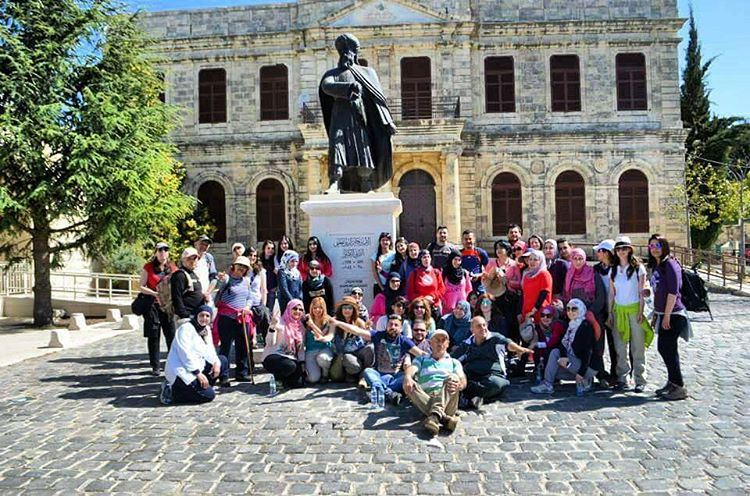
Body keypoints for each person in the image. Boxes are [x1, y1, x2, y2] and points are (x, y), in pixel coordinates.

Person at [319, 33, 396, 192]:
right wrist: (348, 88)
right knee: (337, 148)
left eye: (351, 51)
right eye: (344, 51)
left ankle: (366, 182)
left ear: (356, 53)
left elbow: (378, 99)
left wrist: (387, 121)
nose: (347, 54)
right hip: (339, 117)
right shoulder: (331, 74)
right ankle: (335, 182)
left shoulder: (368, 73)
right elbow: (326, 86)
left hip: (360, 118)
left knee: (363, 148)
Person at [332, 314, 423, 404]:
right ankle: (389, 394)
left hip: (395, 377)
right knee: (367, 371)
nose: (393, 327)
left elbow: (420, 354)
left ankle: (377, 392)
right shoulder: (378, 335)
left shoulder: (404, 341)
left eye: (396, 325)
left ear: (401, 328)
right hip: (378, 375)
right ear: (386, 326)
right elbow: (357, 331)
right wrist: (338, 323)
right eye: (390, 324)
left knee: (407, 377)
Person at [453, 316, 532, 408]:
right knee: (457, 379)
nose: (483, 328)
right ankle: (476, 396)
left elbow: (508, 344)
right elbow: (453, 359)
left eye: (484, 325)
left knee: (497, 385)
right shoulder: (467, 344)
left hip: (492, 376)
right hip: (472, 376)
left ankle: (469, 395)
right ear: (472, 330)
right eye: (479, 326)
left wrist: (519, 349)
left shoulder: (495, 338)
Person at [609, 236, 654, 393]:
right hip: (619, 310)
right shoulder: (613, 270)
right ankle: (623, 378)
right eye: (618, 249)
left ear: (629, 249)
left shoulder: (637, 268)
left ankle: (640, 379)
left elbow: (641, 291)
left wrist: (641, 311)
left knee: (637, 347)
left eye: (624, 248)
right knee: (620, 347)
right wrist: (610, 313)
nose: (621, 252)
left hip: (635, 310)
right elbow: (612, 294)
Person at [648, 236, 690, 400]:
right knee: (665, 348)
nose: (654, 249)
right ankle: (673, 382)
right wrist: (657, 315)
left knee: (668, 349)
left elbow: (673, 292)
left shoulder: (671, 265)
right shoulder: (659, 265)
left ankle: (679, 386)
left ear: (664, 246)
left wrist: (666, 316)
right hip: (663, 313)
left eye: (657, 245)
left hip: (674, 314)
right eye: (651, 246)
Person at [162, 305, 229, 405]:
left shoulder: (205, 330)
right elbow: (184, 354)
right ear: (196, 316)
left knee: (222, 360)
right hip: (181, 370)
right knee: (209, 395)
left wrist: (216, 363)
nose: (204, 319)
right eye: (201, 315)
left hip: (198, 365)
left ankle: (199, 387)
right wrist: (198, 373)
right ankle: (173, 391)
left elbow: (210, 350)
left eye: (207, 316)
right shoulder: (185, 329)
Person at [403, 330, 466, 436]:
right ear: (430, 343)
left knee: (453, 377)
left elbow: (463, 380)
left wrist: (460, 385)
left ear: (448, 344)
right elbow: (412, 369)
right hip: (426, 398)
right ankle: (444, 419)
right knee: (410, 384)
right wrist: (408, 377)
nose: (440, 343)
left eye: (443, 340)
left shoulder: (454, 362)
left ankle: (434, 416)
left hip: (448, 400)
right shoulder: (421, 359)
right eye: (437, 340)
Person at [531, 299, 597, 394]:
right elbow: (562, 344)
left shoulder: (585, 326)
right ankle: (548, 383)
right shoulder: (571, 325)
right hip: (574, 362)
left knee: (554, 353)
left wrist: (581, 373)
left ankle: (584, 378)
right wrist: (564, 356)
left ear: (581, 309)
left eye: (574, 309)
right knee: (551, 369)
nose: (570, 312)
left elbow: (588, 352)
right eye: (568, 309)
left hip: (587, 367)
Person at [563, 247, 608, 384]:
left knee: (596, 346)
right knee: (579, 344)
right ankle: (581, 372)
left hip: (591, 315)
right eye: (575, 258)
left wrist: (592, 311)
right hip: (574, 315)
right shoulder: (570, 274)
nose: (577, 262)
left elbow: (600, 295)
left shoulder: (593, 274)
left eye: (580, 259)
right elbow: (567, 294)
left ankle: (601, 375)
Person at [139, 242, 177, 375]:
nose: (163, 252)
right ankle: (155, 366)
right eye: (160, 250)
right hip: (153, 305)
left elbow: (178, 283)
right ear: (155, 252)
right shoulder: (148, 267)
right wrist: (155, 293)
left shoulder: (172, 267)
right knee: (154, 335)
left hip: (167, 306)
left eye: (165, 250)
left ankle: (173, 362)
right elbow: (142, 286)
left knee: (171, 335)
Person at [214, 256, 254, 382]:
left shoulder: (247, 281)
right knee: (225, 346)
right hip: (227, 317)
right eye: (239, 265)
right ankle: (223, 375)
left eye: (244, 267)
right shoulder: (227, 279)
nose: (241, 268)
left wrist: (247, 307)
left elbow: (250, 297)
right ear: (234, 266)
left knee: (242, 346)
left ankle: (241, 372)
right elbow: (218, 292)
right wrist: (220, 279)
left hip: (242, 318)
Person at [325, 297, 374, 383]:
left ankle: (364, 375)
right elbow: (330, 335)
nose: (347, 310)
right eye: (345, 307)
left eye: (350, 308)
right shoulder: (335, 320)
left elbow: (367, 336)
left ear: (353, 310)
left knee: (371, 348)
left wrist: (368, 328)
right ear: (341, 309)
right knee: (352, 364)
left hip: (359, 350)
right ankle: (352, 374)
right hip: (346, 353)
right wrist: (323, 338)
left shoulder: (359, 321)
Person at [262, 299, 306, 389]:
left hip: (290, 357)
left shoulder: (301, 327)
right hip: (274, 355)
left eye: (300, 309)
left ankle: (285, 380)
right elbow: (270, 342)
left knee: (299, 383)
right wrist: (272, 327)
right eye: (295, 308)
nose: (297, 311)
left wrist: (302, 363)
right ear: (289, 309)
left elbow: (300, 348)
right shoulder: (280, 322)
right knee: (290, 366)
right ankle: (278, 378)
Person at [593, 239, 617, 383]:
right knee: (599, 343)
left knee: (615, 344)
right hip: (600, 310)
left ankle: (616, 373)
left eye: (600, 251)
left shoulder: (617, 268)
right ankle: (600, 372)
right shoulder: (596, 269)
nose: (597, 253)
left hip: (614, 309)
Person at [304, 297, 335, 384]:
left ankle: (325, 373)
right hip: (311, 350)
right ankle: (316, 371)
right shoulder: (306, 319)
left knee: (323, 359)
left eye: (320, 307)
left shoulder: (328, 320)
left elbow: (323, 336)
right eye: (315, 307)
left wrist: (312, 325)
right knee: (313, 379)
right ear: (311, 308)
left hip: (324, 349)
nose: (317, 310)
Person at [171, 247, 205, 325]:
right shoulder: (179, 275)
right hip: (185, 318)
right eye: (189, 259)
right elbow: (176, 297)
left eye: (195, 258)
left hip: (196, 315)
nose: (193, 261)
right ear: (183, 260)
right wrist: (184, 315)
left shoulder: (193, 274)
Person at [441, 250, 473, 315]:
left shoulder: (464, 273)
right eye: (455, 259)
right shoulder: (444, 273)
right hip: (448, 308)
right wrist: (444, 301)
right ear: (451, 259)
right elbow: (440, 289)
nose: (457, 262)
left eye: (459, 260)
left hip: (462, 309)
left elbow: (469, 289)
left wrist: (465, 301)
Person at [193, 235, 218, 305]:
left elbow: (214, 278)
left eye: (206, 245)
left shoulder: (208, 258)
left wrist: (207, 293)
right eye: (202, 244)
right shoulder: (189, 257)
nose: (204, 246)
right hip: (192, 296)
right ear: (195, 244)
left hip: (206, 296)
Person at [277, 250, 303, 316]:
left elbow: (301, 286)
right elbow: (283, 288)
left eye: (296, 261)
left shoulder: (297, 272)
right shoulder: (282, 272)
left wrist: (299, 299)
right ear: (287, 261)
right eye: (292, 261)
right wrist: (292, 302)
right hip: (286, 301)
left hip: (297, 300)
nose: (294, 263)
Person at [260, 240, 278, 313]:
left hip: (271, 289)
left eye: (272, 248)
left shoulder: (275, 260)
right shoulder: (259, 260)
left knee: (269, 312)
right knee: (261, 311)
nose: (270, 250)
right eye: (268, 248)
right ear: (264, 249)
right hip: (261, 290)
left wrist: (276, 286)